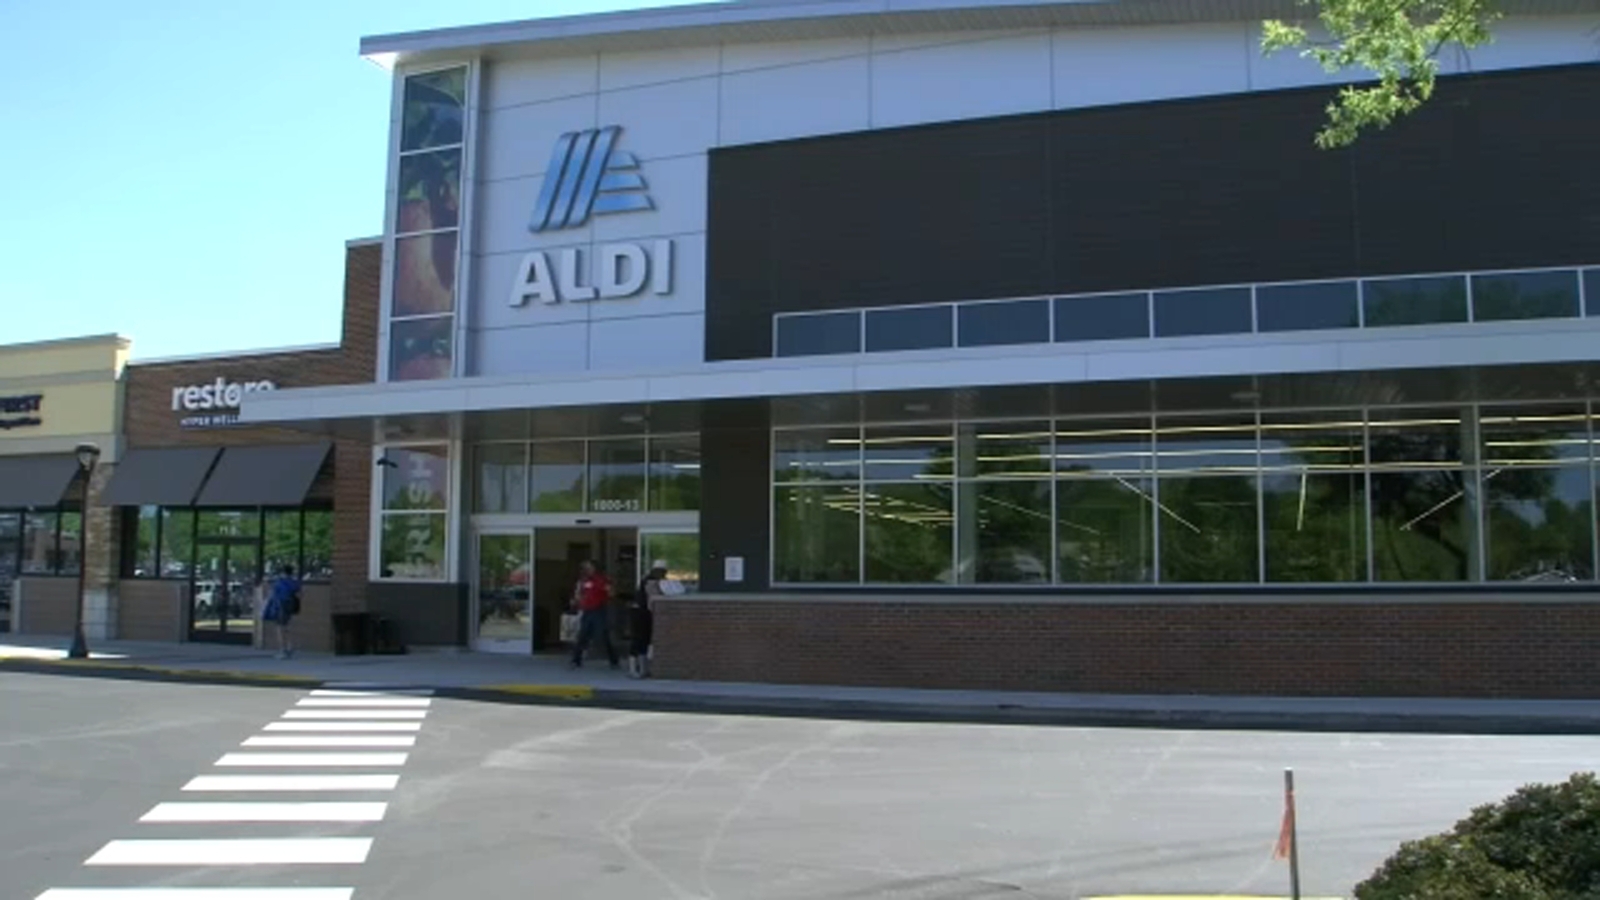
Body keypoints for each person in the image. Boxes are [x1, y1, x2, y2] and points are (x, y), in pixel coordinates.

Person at [569, 560, 618, 670]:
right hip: (587, 611)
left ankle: (613, 659)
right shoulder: (583, 581)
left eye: (589, 567)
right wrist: (576, 601)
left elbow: (611, 592)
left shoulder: (601, 580)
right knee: (582, 635)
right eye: (585, 567)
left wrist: (609, 590)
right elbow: (579, 594)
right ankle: (576, 660)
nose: (586, 569)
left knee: (603, 636)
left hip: (599, 610)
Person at [629, 561, 668, 679]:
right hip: (641, 613)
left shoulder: (649, 580)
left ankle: (643, 668)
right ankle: (634, 669)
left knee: (644, 640)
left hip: (643, 613)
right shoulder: (650, 582)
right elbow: (653, 598)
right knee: (639, 640)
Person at [261, 564, 302, 660]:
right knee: (287, 626)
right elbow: (300, 594)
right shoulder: (294, 582)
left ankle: (283, 650)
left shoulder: (279, 582)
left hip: (280, 605)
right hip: (290, 605)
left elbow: (272, 594)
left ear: (283, 572)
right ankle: (289, 646)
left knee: (280, 628)